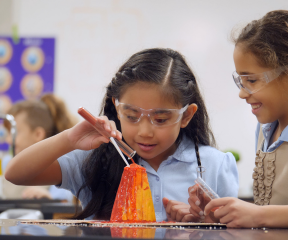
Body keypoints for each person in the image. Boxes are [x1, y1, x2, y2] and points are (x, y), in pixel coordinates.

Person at [5, 48, 239, 221]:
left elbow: (234, 231)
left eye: (160, 119)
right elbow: (16, 173)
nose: (145, 131)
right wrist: (69, 139)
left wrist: (204, 226)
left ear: (186, 116)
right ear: (117, 108)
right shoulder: (94, 159)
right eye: (131, 115)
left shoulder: (214, 164)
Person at [188, 10, 288, 228]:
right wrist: (224, 213)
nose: (243, 93)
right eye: (241, 81)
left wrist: (259, 215)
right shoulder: (267, 129)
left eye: (252, 80)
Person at [2, 94, 76, 202]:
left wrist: (47, 199)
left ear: (38, 134)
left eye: (14, 133)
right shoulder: (7, 162)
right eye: (8, 133)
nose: (8, 140)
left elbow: (64, 207)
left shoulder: (61, 166)